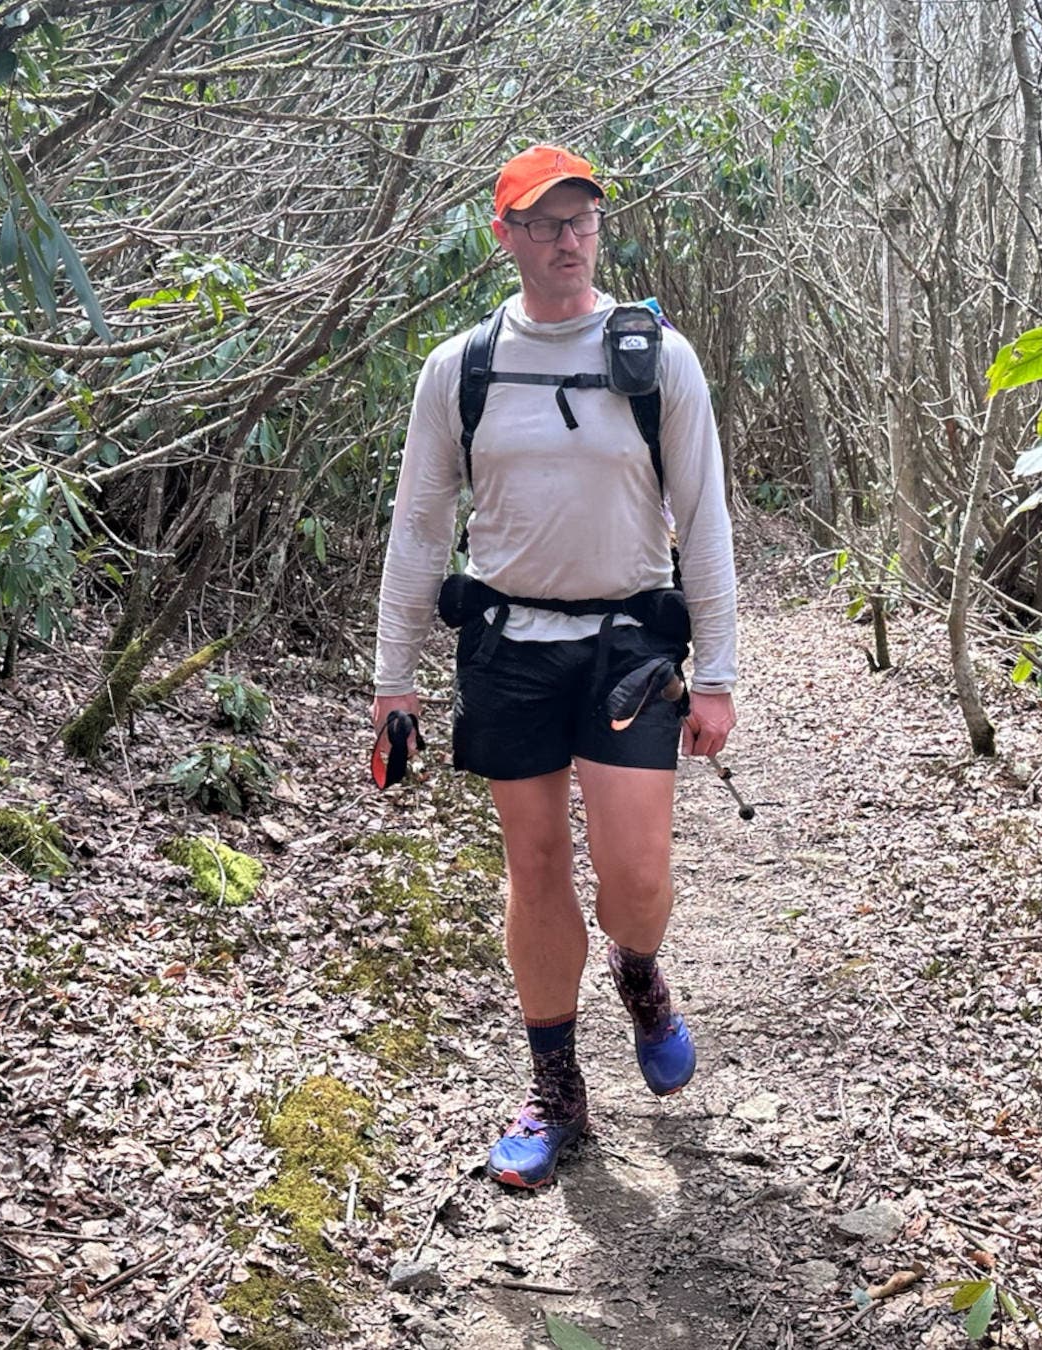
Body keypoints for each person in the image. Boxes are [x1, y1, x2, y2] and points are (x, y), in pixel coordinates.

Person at [369, 145, 739, 1190]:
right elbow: (419, 526)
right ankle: (557, 1089)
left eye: (581, 221)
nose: (567, 240)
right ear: (508, 237)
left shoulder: (657, 357)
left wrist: (718, 674)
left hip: (630, 648)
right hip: (508, 646)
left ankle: (638, 970)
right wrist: (391, 678)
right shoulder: (463, 368)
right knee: (531, 866)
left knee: (636, 879)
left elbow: (703, 518)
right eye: (544, 223)